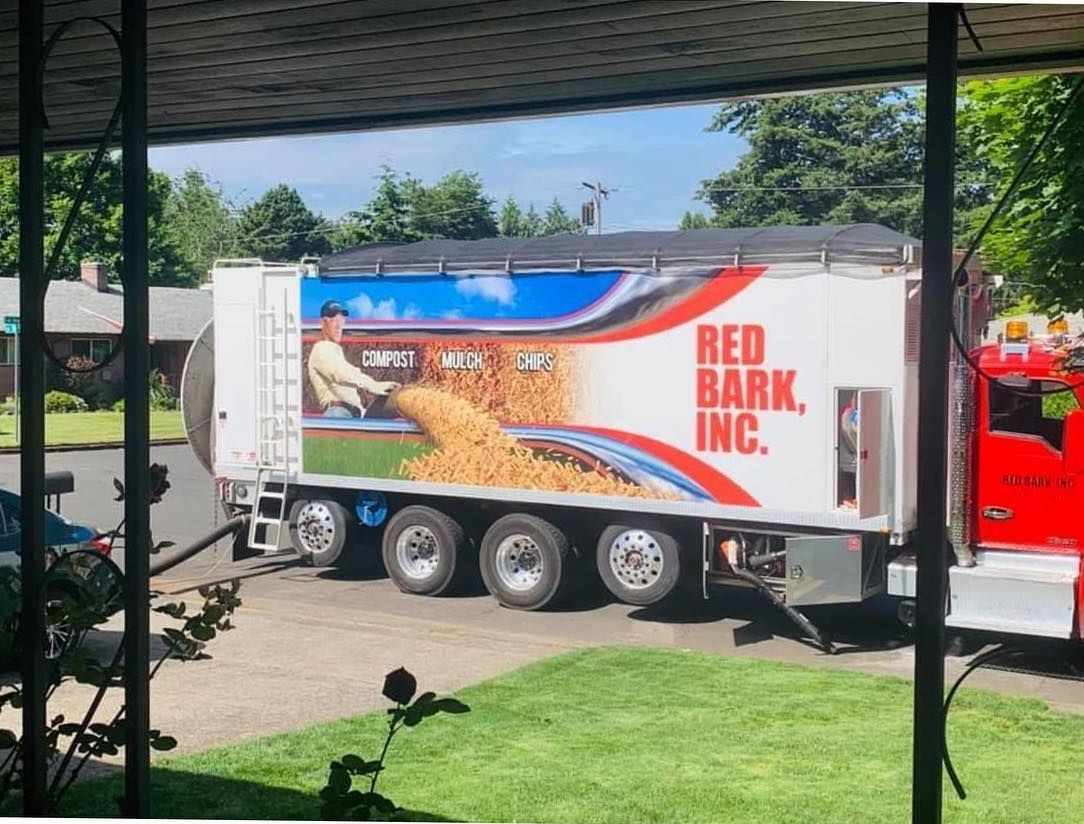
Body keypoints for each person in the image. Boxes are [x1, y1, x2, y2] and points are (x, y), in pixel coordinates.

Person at [308, 300, 399, 417]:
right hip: (339, 412)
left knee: (395, 397)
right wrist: (373, 385)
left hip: (357, 414)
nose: (338, 326)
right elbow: (340, 374)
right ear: (322, 322)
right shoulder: (320, 348)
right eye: (333, 320)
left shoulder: (336, 353)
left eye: (341, 320)